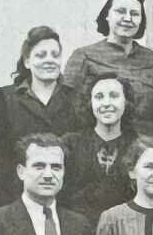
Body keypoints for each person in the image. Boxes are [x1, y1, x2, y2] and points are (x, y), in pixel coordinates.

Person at [0, 26, 82, 209]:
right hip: (16, 201)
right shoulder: (6, 98)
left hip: (64, 203)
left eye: (55, 55)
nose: (49, 60)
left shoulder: (76, 98)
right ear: (27, 61)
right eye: (41, 55)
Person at [63, 0, 153, 141]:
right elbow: (68, 111)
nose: (127, 18)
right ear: (107, 15)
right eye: (120, 11)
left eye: (134, 14)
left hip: (145, 149)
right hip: (99, 148)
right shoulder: (83, 56)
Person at [59, 72, 138, 225]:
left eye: (114, 96)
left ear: (126, 101)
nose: (106, 103)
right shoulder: (70, 144)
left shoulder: (138, 146)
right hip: (77, 232)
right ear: (90, 103)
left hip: (125, 231)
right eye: (99, 97)